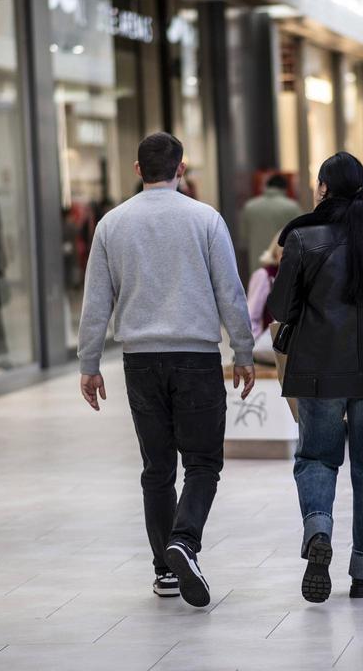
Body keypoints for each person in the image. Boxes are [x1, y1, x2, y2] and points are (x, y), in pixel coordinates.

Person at [78, 132, 256, 608]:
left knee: (157, 468)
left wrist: (89, 363)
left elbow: (97, 301)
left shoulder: (111, 225)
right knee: (202, 463)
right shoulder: (205, 219)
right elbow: (230, 292)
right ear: (182, 168)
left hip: (139, 360)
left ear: (137, 170)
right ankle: (185, 541)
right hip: (196, 357)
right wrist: (243, 350)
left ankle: (165, 569)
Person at [268, 152, 363, 603]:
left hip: (318, 372)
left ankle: (318, 532)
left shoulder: (304, 240)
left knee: (316, 458)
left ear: (324, 189)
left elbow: (279, 310)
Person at [240, 173, 302, 276]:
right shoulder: (292, 207)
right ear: (285, 188)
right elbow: (302, 238)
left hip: (257, 267)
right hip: (283, 268)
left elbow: (244, 237)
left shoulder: (249, 207)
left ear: (266, 186)